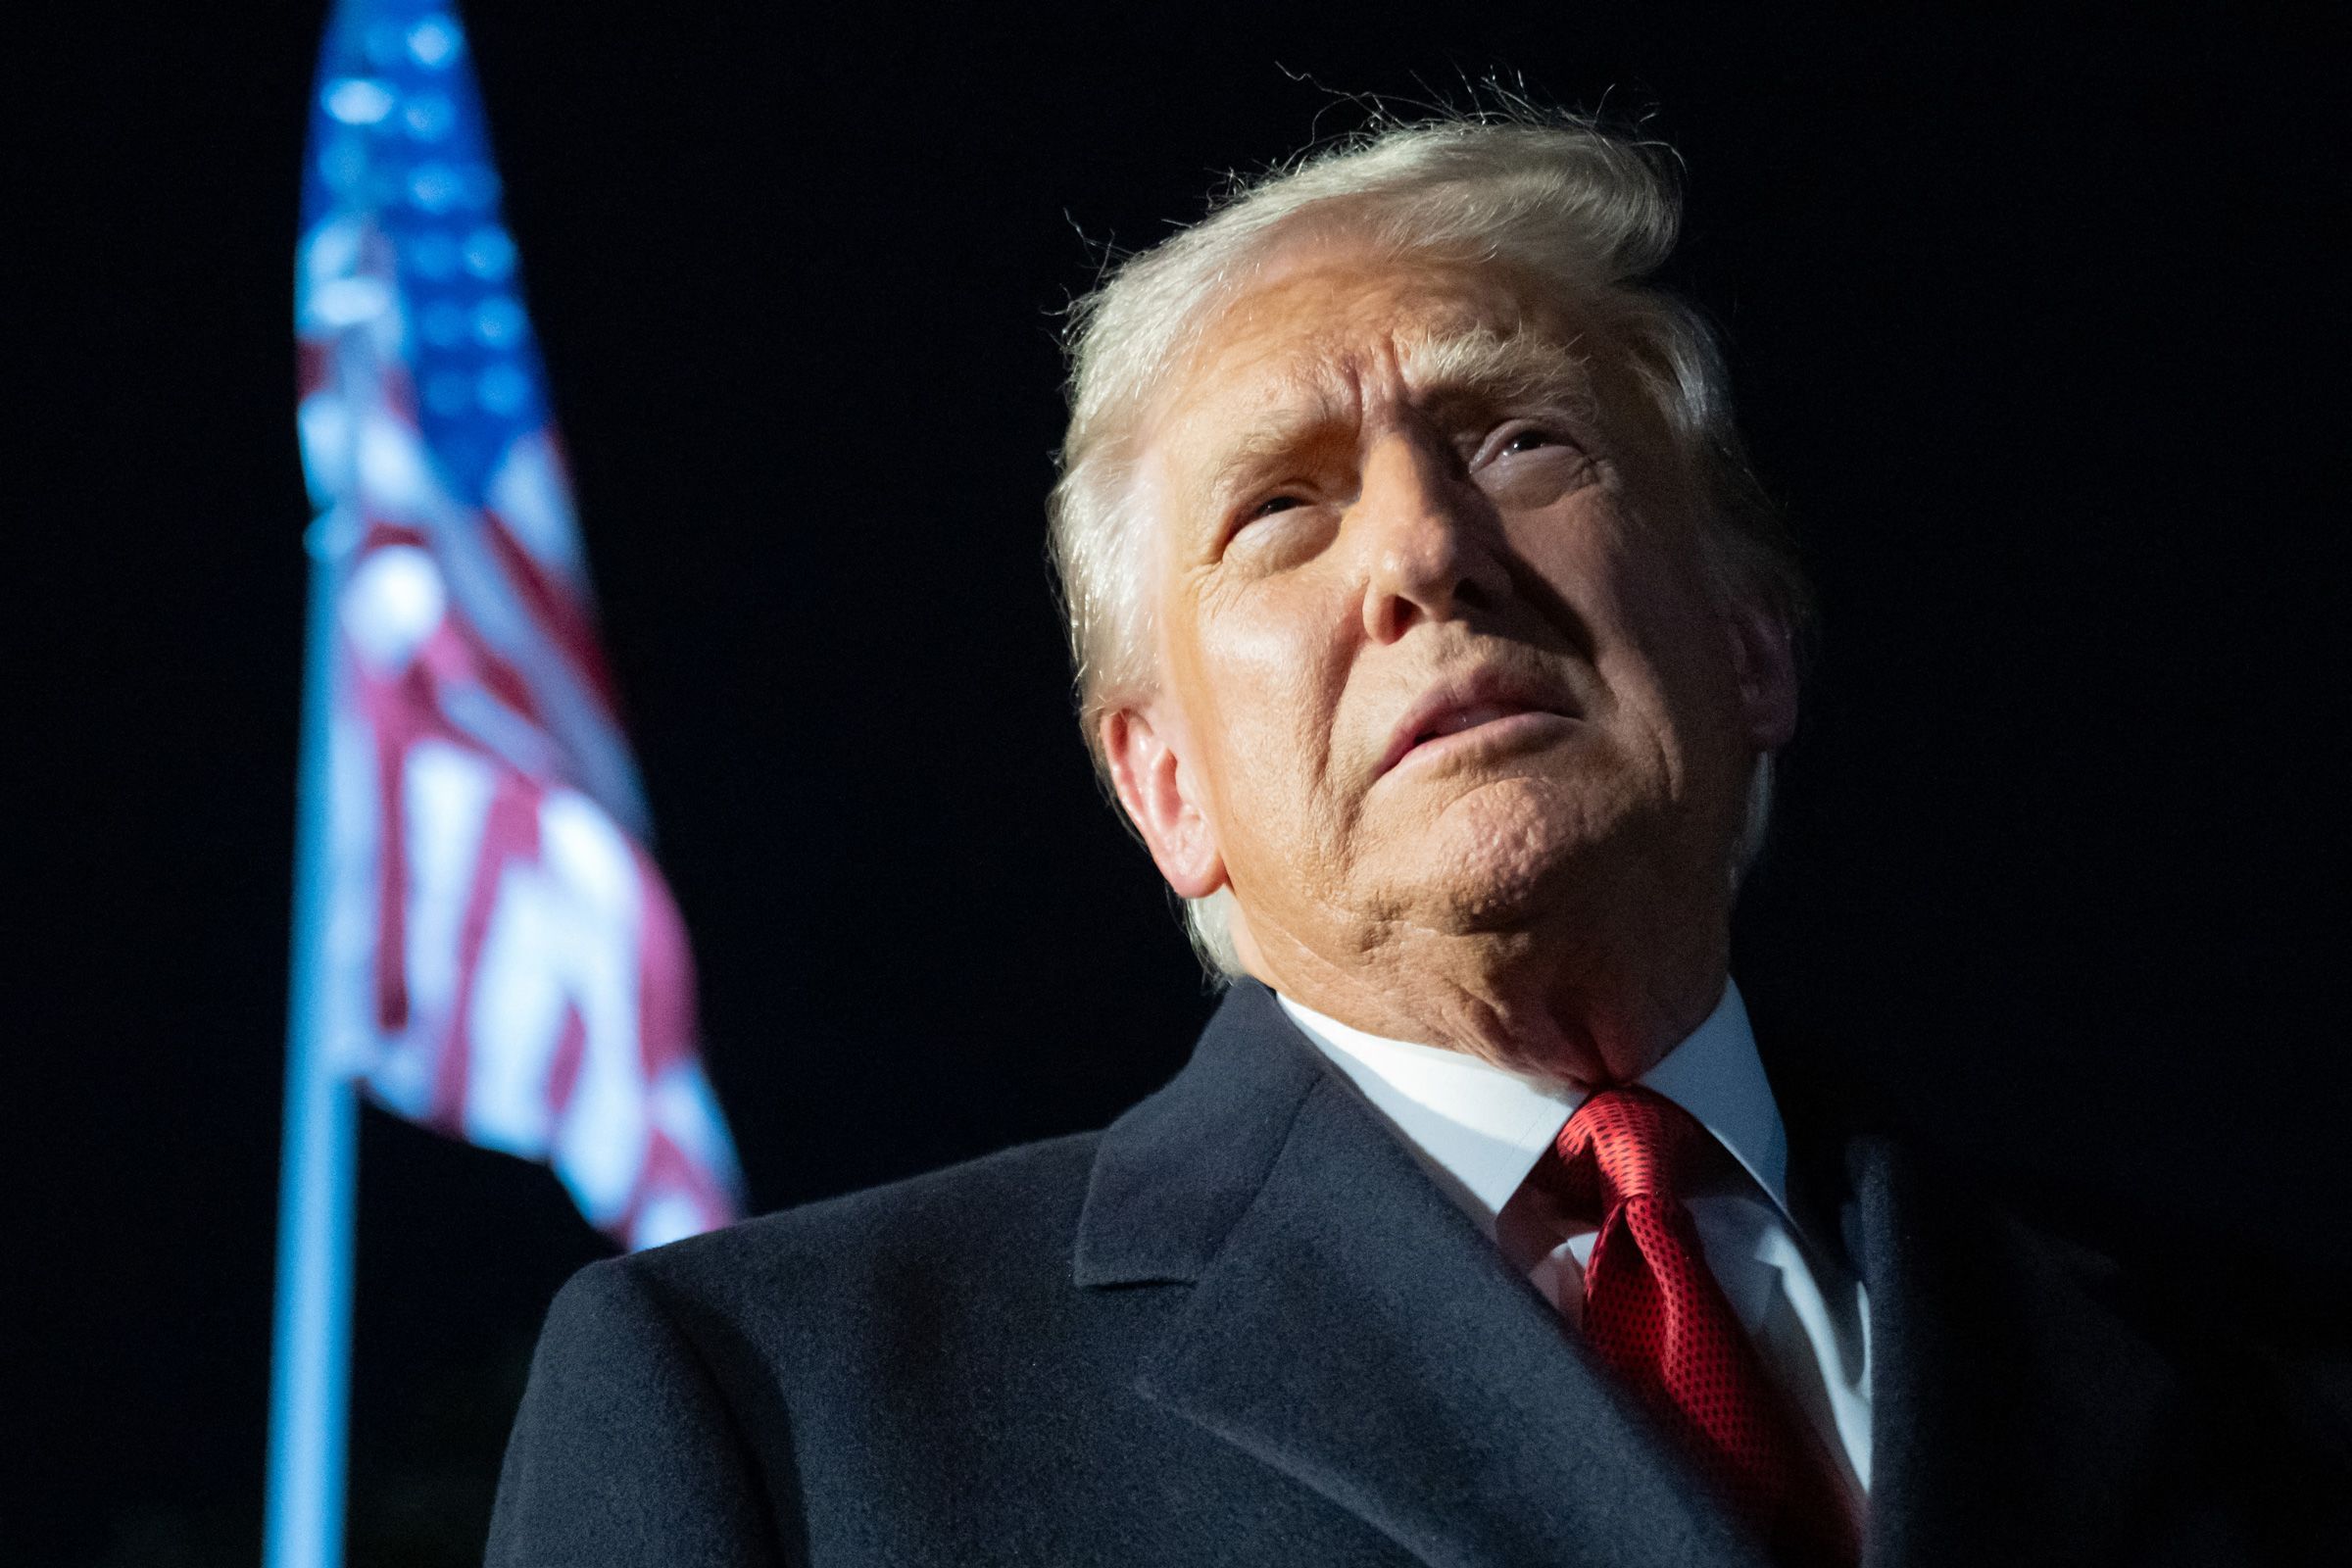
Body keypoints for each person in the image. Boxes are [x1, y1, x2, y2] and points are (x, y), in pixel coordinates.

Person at [485, 114, 2344, 1566]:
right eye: (1279, 512)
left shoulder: (2245, 1371)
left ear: (1752, 646)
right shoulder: (773, 1409)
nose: (1425, 555)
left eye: (1525, 440)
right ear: (1166, 789)